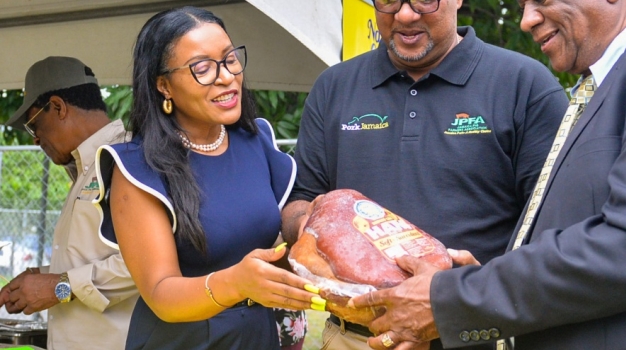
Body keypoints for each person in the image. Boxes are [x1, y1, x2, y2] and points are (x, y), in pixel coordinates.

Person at [350, 1, 626, 349]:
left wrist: (453, 299)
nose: (527, 19)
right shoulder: (604, 84)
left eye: (541, 0)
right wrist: (487, 275)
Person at [281, 0, 568, 349]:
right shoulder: (333, 87)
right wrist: (325, 231)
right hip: (354, 338)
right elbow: (300, 203)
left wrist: (476, 289)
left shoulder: (525, 84)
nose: (404, 14)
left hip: (473, 334)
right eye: (388, 0)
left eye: (423, 0)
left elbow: (558, 227)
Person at [91, 7, 321, 350]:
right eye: (202, 68)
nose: (226, 76)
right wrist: (237, 283)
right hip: (185, 340)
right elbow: (160, 294)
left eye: (229, 59)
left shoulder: (255, 140)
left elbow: (278, 244)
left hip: (257, 336)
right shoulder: (137, 170)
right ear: (163, 85)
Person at [0, 56, 137, 349]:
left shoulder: (127, 161)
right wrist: (44, 276)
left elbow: (143, 265)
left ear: (59, 107)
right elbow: (99, 259)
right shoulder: (85, 168)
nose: (36, 139)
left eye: (33, 124)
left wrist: (57, 287)